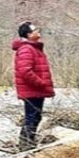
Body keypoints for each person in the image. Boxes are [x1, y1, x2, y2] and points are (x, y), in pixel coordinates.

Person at [12, 21, 55, 150]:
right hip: (32, 90)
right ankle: (26, 146)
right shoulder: (26, 49)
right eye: (35, 30)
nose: (38, 31)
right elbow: (25, 71)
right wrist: (41, 84)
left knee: (35, 116)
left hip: (35, 90)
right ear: (29, 34)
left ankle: (27, 143)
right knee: (32, 117)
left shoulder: (33, 48)